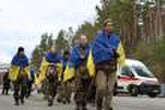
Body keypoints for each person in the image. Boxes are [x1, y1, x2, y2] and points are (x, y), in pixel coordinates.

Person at [92, 19, 125, 110]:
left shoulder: (116, 38)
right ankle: (98, 103)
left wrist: (119, 57)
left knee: (110, 89)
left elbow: (120, 51)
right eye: (108, 25)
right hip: (101, 67)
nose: (110, 27)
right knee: (101, 88)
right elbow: (97, 50)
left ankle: (107, 106)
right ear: (104, 27)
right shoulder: (99, 38)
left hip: (112, 67)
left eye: (111, 25)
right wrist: (111, 51)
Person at [69, 35, 91, 110]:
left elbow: (92, 57)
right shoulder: (75, 49)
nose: (83, 41)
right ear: (79, 41)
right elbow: (72, 58)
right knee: (79, 87)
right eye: (82, 39)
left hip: (88, 70)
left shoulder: (90, 48)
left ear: (87, 40)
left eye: (85, 39)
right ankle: (78, 104)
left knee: (86, 87)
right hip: (78, 69)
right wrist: (80, 57)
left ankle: (84, 104)